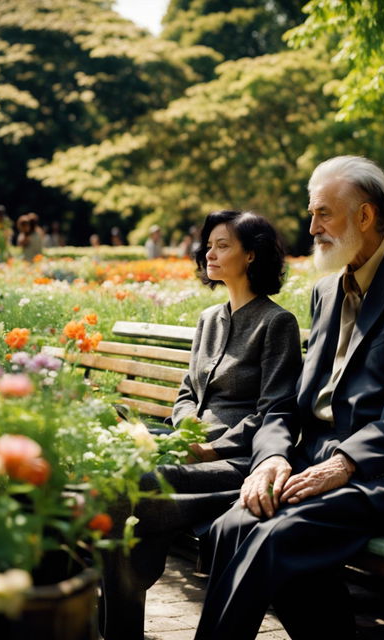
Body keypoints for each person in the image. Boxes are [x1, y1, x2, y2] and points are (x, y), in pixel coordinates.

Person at [193, 156, 384, 640]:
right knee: (231, 527)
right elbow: (288, 403)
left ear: (365, 216)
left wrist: (345, 463)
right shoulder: (325, 290)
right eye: (311, 213)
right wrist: (271, 456)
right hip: (315, 462)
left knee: (273, 537)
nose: (311, 227)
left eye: (324, 214)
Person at [101, 210, 302, 640]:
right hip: (184, 449)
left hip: (235, 465)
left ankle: (117, 619)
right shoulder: (209, 318)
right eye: (208, 245)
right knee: (110, 476)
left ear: (251, 255)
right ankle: (121, 609)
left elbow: (275, 409)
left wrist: (213, 445)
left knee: (131, 489)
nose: (209, 252)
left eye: (222, 245)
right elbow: (187, 392)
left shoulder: (276, 323)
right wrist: (184, 423)